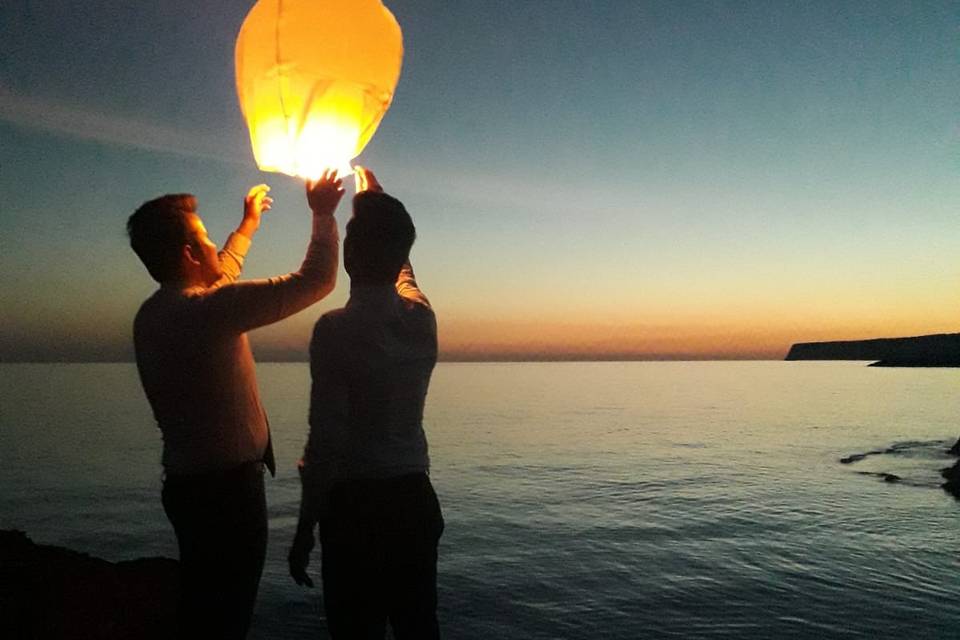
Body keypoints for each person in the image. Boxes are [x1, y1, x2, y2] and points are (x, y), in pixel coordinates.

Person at [128, 171, 344, 639]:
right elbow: (317, 280)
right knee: (227, 616)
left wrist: (247, 227)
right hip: (225, 499)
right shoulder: (207, 312)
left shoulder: (156, 313)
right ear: (188, 255)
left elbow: (220, 276)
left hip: (191, 489)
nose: (212, 248)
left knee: (205, 606)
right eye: (204, 239)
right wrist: (323, 214)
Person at [289, 167, 443, 639]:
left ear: (349, 253)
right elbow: (405, 273)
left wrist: (304, 529)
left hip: (357, 511)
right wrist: (375, 203)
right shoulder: (422, 321)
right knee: (419, 629)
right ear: (402, 254)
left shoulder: (334, 330)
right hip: (415, 503)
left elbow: (325, 441)